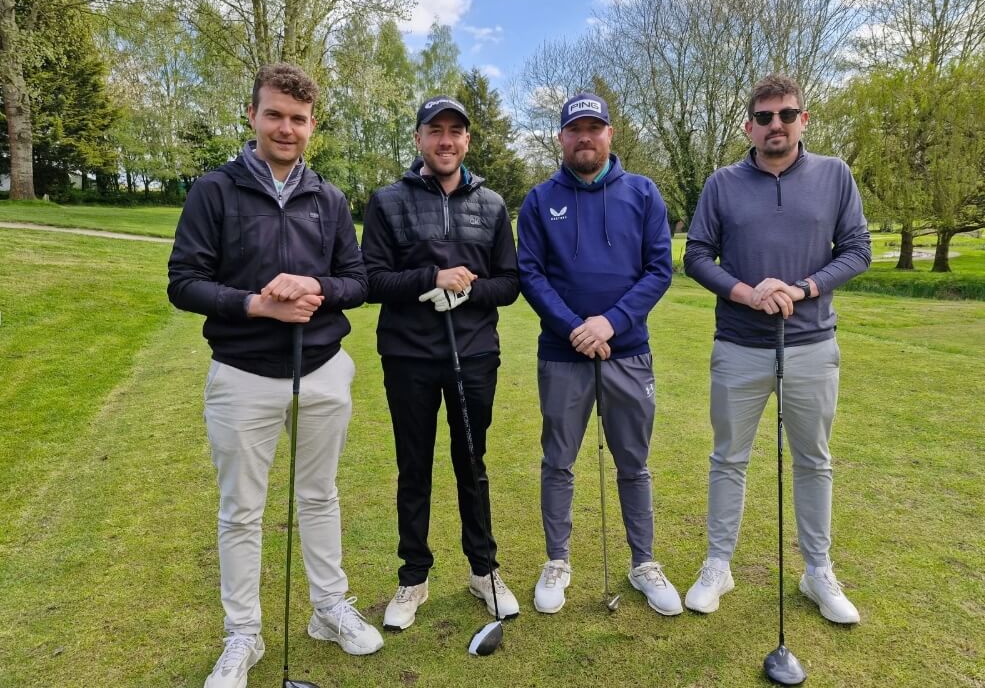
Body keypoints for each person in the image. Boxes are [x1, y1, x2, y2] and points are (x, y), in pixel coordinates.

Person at [168, 63, 383, 688]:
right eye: (274, 115)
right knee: (242, 510)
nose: (286, 129)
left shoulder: (330, 198)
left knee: (320, 496)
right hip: (242, 374)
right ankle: (243, 637)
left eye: (298, 119)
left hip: (322, 369)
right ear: (253, 116)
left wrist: (316, 285)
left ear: (312, 125)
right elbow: (184, 283)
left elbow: (359, 282)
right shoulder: (216, 190)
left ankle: (327, 611)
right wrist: (256, 303)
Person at [682, 73, 871, 624]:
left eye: (787, 115)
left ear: (803, 120)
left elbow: (857, 250)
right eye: (764, 117)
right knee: (728, 459)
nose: (776, 126)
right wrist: (747, 292)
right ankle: (718, 564)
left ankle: (817, 571)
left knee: (814, 460)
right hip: (739, 345)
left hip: (812, 344)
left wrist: (802, 288)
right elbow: (696, 255)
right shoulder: (722, 183)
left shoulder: (834, 176)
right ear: (750, 125)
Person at [361, 95, 521, 631]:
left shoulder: (493, 205)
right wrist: (432, 278)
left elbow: (509, 283)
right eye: (436, 130)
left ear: (467, 141)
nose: (446, 140)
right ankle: (413, 578)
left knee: (472, 465)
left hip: (474, 354)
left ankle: (484, 571)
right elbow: (371, 280)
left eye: (456, 131)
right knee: (414, 467)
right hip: (408, 356)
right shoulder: (387, 201)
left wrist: (468, 290)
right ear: (419, 139)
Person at [517, 92, 680, 616]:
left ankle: (644, 562)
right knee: (558, 461)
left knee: (633, 463)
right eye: (575, 129)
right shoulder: (540, 200)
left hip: (628, 351)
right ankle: (558, 561)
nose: (585, 136)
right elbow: (531, 275)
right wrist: (575, 328)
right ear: (561, 137)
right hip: (563, 355)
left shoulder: (644, 192)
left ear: (611, 133)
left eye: (595, 127)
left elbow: (659, 269)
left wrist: (609, 322)